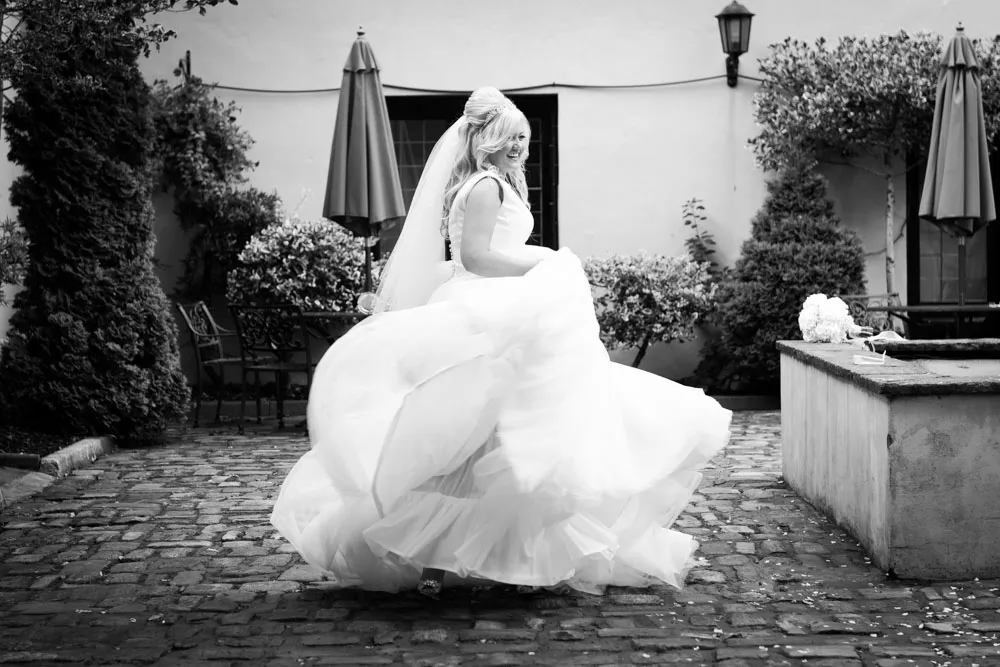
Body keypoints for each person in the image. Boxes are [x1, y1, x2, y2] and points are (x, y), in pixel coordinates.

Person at [270, 87, 732, 598]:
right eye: (510, 137)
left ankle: (473, 561)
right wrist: (546, 261)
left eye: (524, 138)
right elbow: (476, 258)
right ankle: (448, 560)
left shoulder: (486, 183)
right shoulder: (487, 186)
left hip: (494, 305)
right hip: (488, 310)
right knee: (484, 436)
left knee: (491, 436)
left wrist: (541, 263)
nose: (519, 146)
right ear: (485, 139)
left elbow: (478, 255)